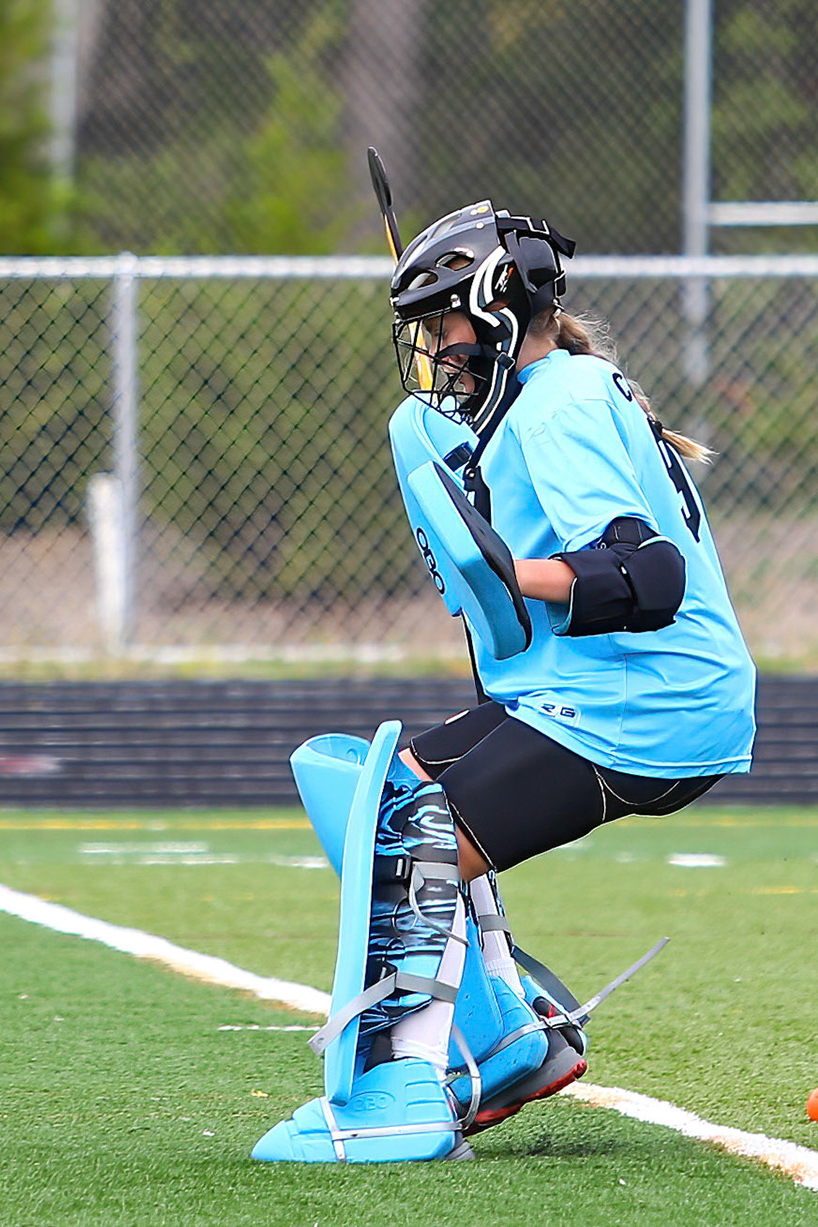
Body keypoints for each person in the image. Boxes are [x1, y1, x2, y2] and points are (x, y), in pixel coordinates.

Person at [254, 202, 756, 1163]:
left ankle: (401, 1097)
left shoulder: (559, 401)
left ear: (493, 309)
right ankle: (506, 1040)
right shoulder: (548, 394)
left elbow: (646, 575)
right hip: (605, 689)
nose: (435, 348)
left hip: (645, 701)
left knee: (408, 839)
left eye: (442, 322)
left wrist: (506, 571)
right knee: (369, 786)